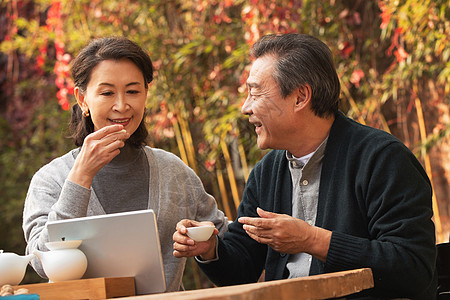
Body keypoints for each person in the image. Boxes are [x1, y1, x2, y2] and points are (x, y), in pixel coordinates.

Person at [173, 33, 436, 299]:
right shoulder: (266, 173)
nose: (245, 108)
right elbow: (242, 269)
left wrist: (312, 240)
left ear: (300, 97)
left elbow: (413, 267)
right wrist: (211, 249)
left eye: (255, 93)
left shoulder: (382, 159)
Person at [22, 36, 228, 292]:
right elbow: (41, 260)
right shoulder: (51, 179)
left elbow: (227, 243)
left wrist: (207, 245)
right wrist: (80, 178)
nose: (122, 106)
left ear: (146, 94)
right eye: (107, 93)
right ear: (82, 99)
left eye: (132, 91)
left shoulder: (172, 171)